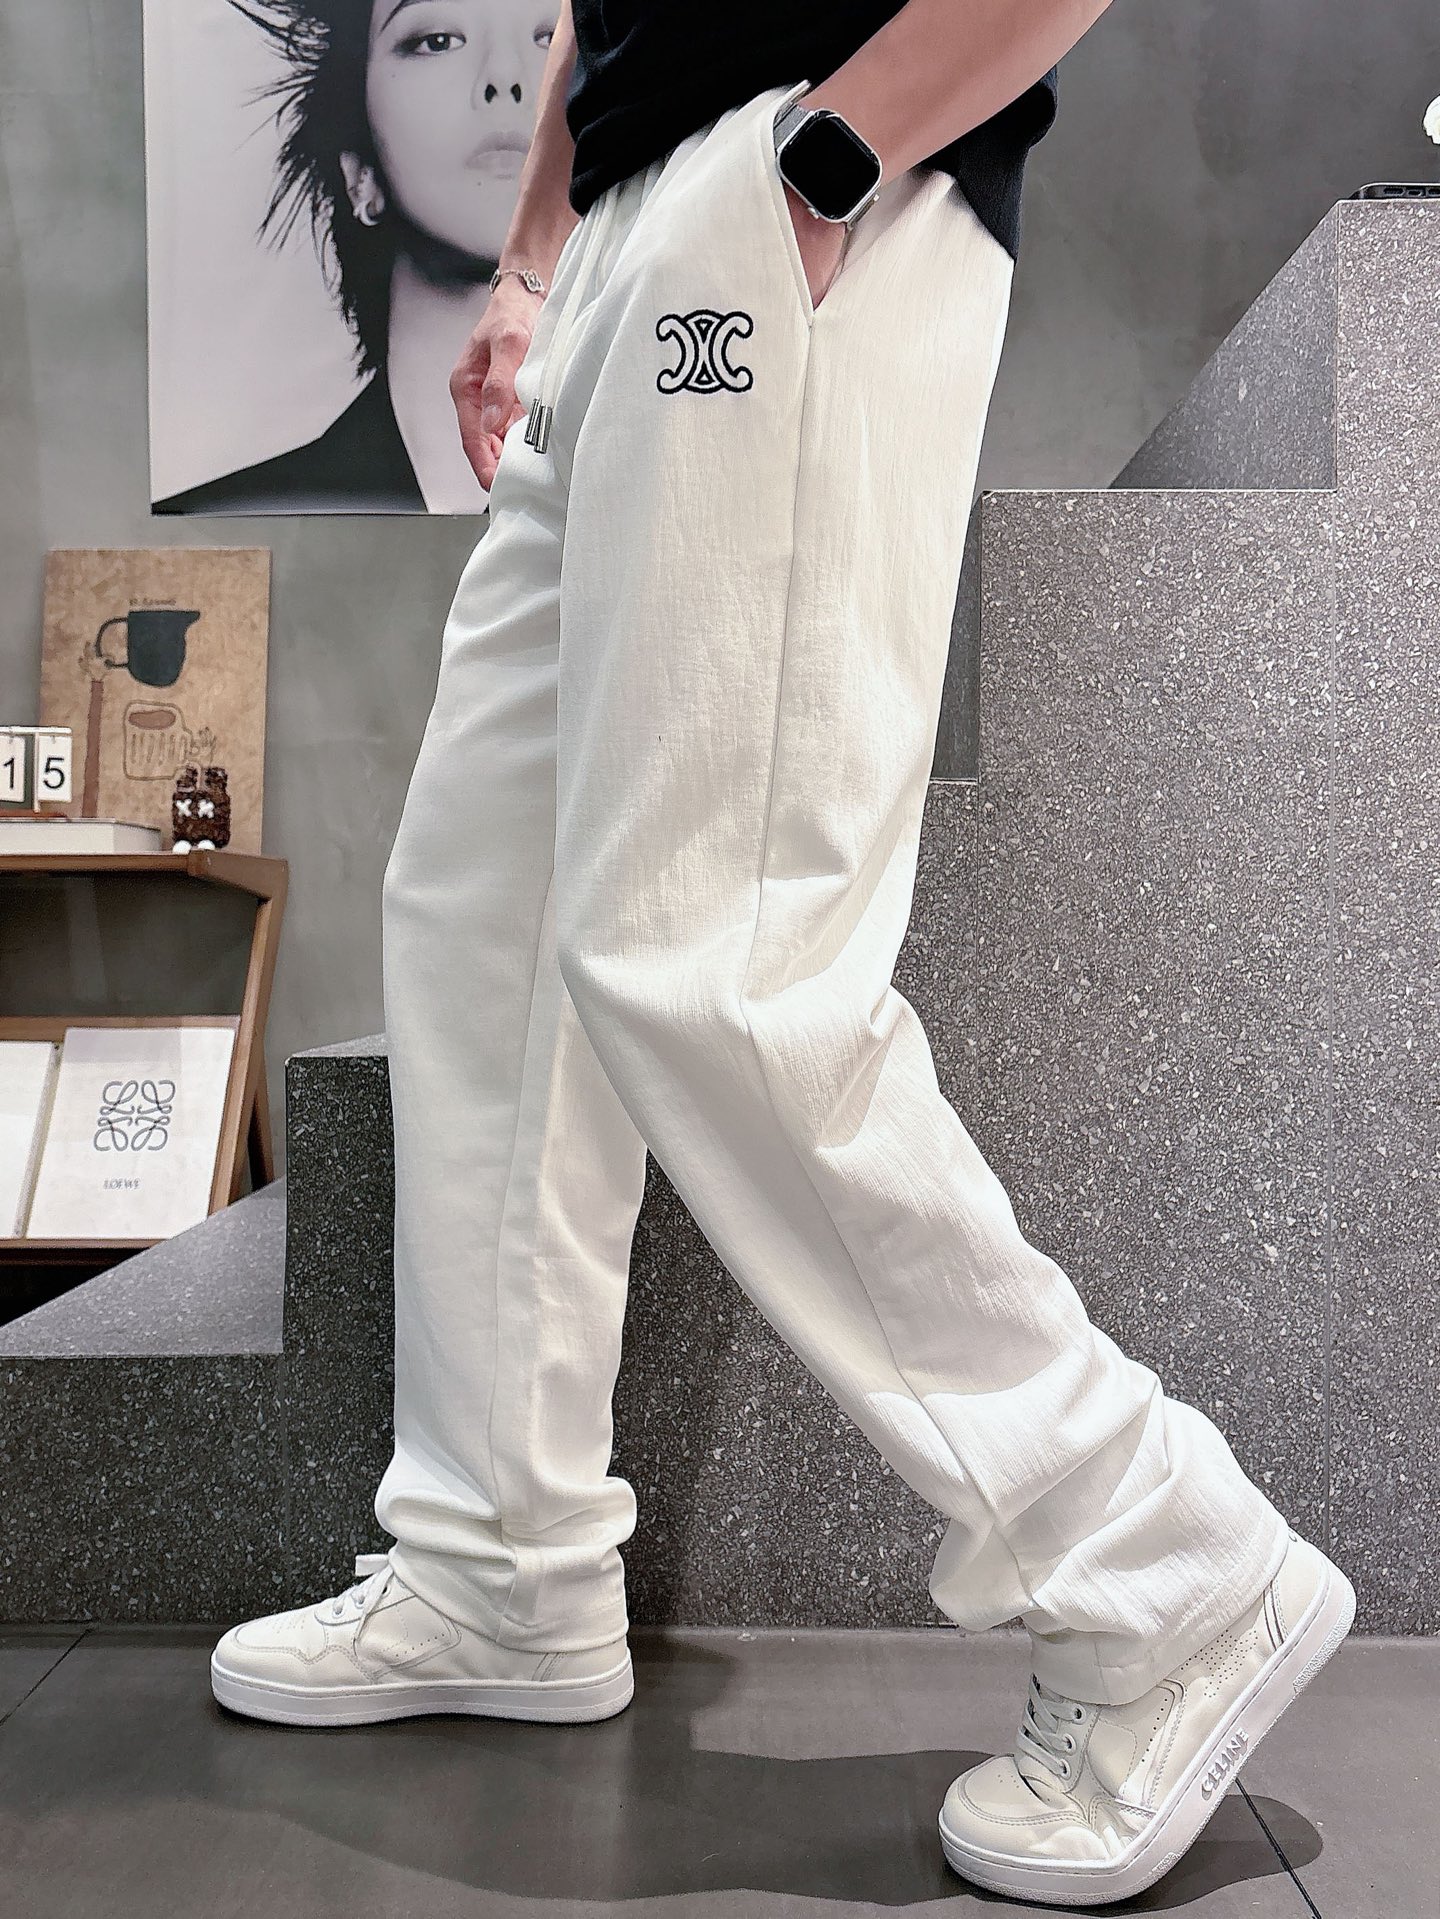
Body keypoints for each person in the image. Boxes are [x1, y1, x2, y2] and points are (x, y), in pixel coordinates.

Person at [210, 1, 1357, 1905]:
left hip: (803, 180)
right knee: (485, 919)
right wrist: (535, 264)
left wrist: (829, 160)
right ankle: (499, 1558)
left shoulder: (809, 174)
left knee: (718, 962)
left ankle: (1162, 1564)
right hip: (634, 242)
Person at [155, 0, 556, 514]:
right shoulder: (219, 520)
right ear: (359, 173)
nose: (504, 76)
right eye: (437, 41)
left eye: (550, 38)